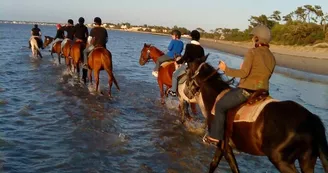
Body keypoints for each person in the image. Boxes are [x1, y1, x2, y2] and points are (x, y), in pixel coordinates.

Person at [203, 25, 276, 146]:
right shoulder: (272, 57)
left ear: (257, 38)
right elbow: (267, 75)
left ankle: (215, 136)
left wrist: (225, 69)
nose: (252, 39)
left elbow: (244, 73)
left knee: (221, 105)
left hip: (248, 90)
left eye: (254, 37)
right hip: (263, 91)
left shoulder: (252, 52)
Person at [168, 30, 205, 97]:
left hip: (189, 66)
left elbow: (185, 57)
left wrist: (177, 62)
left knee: (174, 74)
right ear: (198, 38)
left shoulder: (189, 46)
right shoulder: (201, 49)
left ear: (191, 37)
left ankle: (173, 91)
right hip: (197, 69)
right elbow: (202, 60)